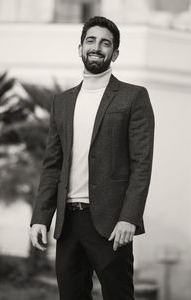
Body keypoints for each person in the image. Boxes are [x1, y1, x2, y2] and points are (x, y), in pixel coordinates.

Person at [30, 16, 155, 300]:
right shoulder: (62, 101)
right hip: (68, 223)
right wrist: (40, 217)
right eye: (91, 40)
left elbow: (141, 164)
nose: (96, 47)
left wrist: (129, 218)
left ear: (115, 53)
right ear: (80, 48)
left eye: (105, 43)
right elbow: (53, 164)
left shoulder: (134, 97)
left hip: (112, 224)